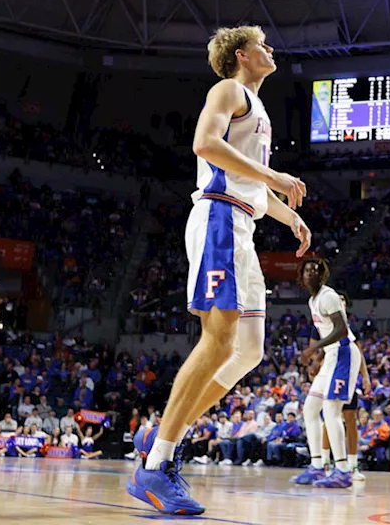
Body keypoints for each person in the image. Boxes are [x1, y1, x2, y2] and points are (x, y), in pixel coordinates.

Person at [126, 25, 312, 516]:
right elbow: (205, 145)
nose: (271, 48)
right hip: (218, 219)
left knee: (248, 351)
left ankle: (162, 430)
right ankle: (156, 461)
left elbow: (246, 177)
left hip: (243, 221)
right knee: (219, 339)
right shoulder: (229, 89)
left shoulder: (256, 106)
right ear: (242, 54)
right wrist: (273, 176)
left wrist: (287, 213)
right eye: (263, 43)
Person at [289, 259, 357, 489]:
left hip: (344, 353)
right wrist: (318, 359)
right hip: (331, 356)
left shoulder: (329, 296)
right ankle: (317, 465)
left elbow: (341, 330)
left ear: (323, 275)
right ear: (301, 275)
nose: (311, 273)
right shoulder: (312, 300)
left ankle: (343, 470)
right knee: (310, 408)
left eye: (315, 270)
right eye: (307, 270)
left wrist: (313, 348)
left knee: (331, 410)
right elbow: (327, 332)